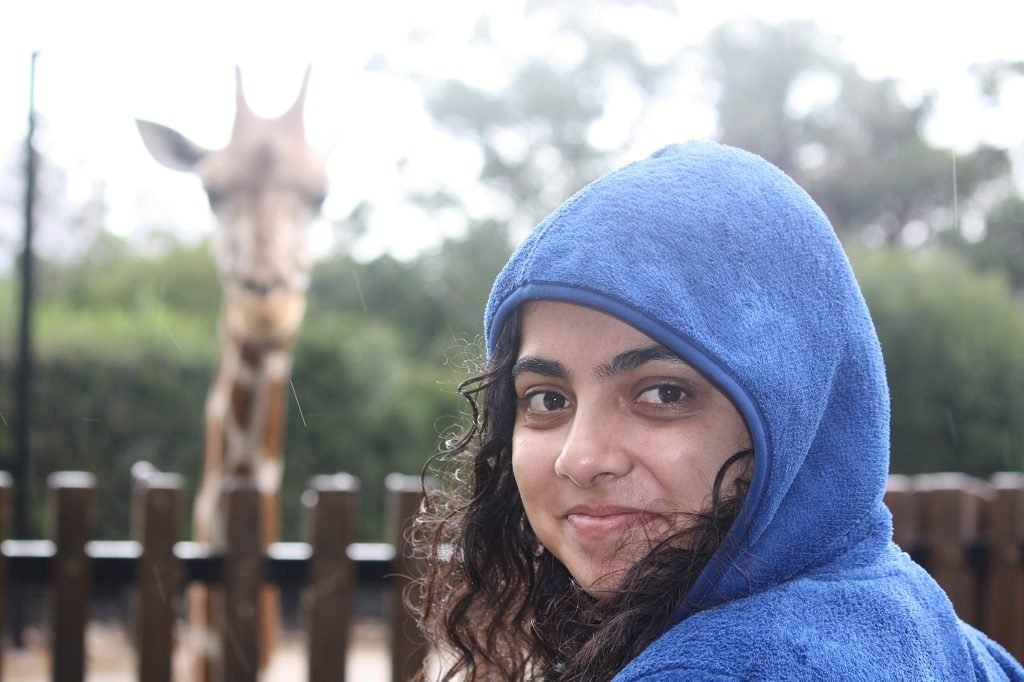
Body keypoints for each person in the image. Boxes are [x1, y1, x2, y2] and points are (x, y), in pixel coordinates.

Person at [412, 141, 1024, 680]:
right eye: (547, 400)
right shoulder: (915, 619)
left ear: (792, 420)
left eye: (662, 394)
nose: (580, 458)